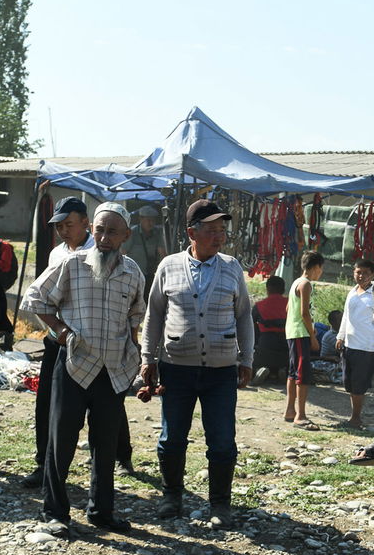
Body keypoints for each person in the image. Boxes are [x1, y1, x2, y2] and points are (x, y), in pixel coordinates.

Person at [21, 203, 145, 536]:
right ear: (93, 230)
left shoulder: (132, 272)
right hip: (74, 364)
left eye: (112, 232)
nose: (104, 238)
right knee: (60, 442)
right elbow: (35, 299)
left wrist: (137, 355)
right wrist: (59, 331)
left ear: (126, 236)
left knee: (104, 445)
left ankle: (101, 512)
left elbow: (135, 317)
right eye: (100, 230)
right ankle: (55, 513)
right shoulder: (72, 265)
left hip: (112, 369)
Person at [140, 199, 254, 526]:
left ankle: (220, 504)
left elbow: (244, 315)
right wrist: (148, 358)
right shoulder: (168, 266)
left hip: (221, 372)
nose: (220, 237)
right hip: (176, 369)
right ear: (192, 232)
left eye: (222, 230)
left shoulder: (231, 267)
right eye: (212, 230)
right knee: (172, 437)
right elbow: (154, 316)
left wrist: (246, 358)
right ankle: (171, 495)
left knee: (221, 440)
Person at [21, 197, 95, 489]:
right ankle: (44, 464)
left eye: (69, 225)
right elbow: (43, 295)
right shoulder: (56, 254)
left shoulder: (97, 250)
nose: (64, 231)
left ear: (85, 223)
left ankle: (119, 457)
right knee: (47, 403)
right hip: (59, 338)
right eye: (60, 226)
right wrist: (57, 329)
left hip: (92, 341)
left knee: (102, 405)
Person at [336, 259, 374, 428]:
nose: (361, 276)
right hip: (349, 345)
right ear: (353, 272)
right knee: (350, 384)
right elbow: (346, 316)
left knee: (359, 385)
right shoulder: (352, 292)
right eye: (358, 272)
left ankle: (356, 419)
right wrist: (340, 336)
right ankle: (354, 417)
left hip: (367, 347)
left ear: (372, 275)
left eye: (365, 273)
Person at [285, 250, 323, 429]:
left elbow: (288, 309)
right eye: (320, 269)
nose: (320, 273)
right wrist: (313, 336)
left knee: (293, 373)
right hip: (301, 333)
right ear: (316, 267)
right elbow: (305, 313)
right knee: (302, 375)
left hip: (292, 332)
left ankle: (289, 410)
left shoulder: (295, 282)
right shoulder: (306, 284)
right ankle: (300, 415)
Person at [251, 275, 289, 384]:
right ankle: (282, 371)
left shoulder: (259, 306)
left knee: (255, 359)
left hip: (265, 345)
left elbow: (250, 326)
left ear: (268, 289)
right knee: (283, 361)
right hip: (286, 346)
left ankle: (259, 370)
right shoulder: (291, 303)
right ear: (283, 289)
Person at [123, 204, 168, 290]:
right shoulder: (132, 233)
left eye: (153, 220)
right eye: (148, 220)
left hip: (152, 274)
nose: (151, 223)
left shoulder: (157, 233)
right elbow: (122, 253)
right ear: (140, 219)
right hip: (135, 275)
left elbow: (162, 253)